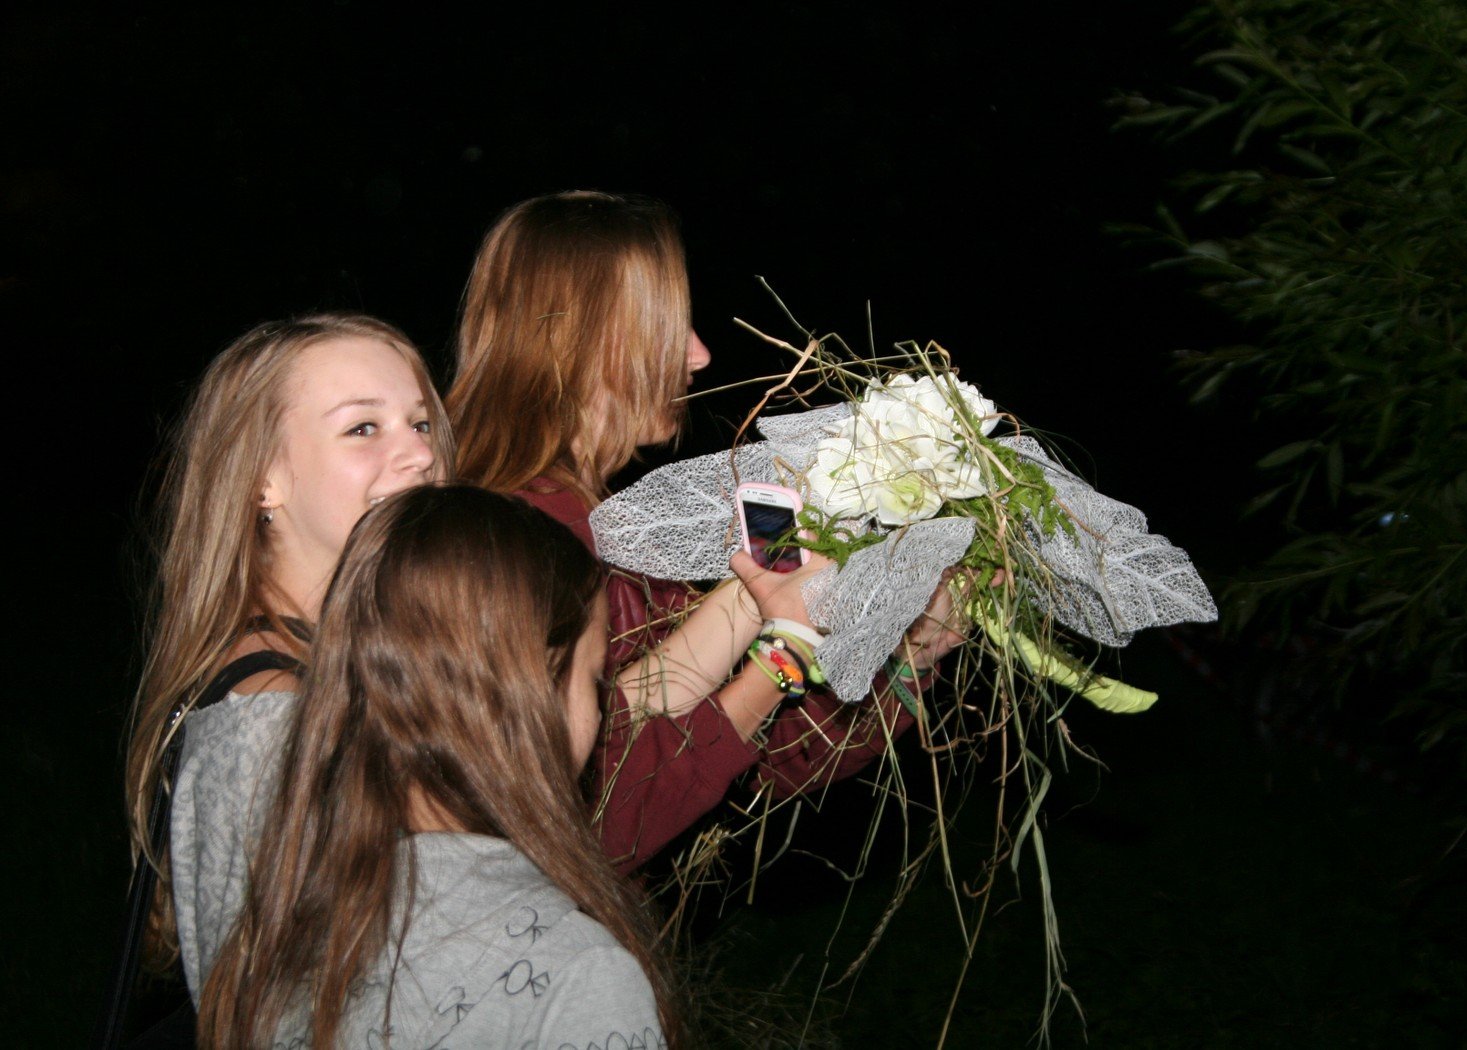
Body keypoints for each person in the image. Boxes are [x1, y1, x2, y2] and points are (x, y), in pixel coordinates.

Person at [447, 191, 966, 873]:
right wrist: (784, 645)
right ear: (579, 339)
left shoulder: (612, 529)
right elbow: (588, 822)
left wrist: (905, 653)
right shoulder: (507, 545)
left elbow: (750, 758)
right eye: (668, 326)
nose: (698, 355)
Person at [197, 486, 676, 1048]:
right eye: (595, 681)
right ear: (532, 698)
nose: (600, 712)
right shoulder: (579, 975)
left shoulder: (275, 931)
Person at [122, 314, 452, 1003]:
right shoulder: (270, 721)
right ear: (263, 480)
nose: (420, 454)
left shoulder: (354, 658)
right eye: (364, 428)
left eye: (421, 423)